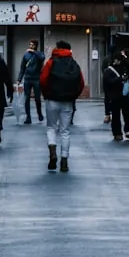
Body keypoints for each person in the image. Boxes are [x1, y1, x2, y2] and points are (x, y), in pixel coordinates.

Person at [38, 39, 84, 173]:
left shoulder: (51, 62)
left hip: (51, 100)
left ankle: (52, 153)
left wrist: (46, 93)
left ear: (58, 48)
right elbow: (81, 82)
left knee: (51, 128)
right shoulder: (73, 63)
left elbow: (43, 79)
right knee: (65, 131)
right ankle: (64, 160)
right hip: (67, 102)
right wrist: (73, 96)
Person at [103, 55, 129, 141]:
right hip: (117, 95)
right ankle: (124, 132)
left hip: (119, 95)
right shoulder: (110, 70)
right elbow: (109, 83)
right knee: (122, 114)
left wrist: (127, 80)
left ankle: (122, 133)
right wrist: (120, 79)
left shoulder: (122, 69)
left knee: (121, 114)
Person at [16, 39, 45, 124]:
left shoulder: (39, 54)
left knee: (37, 98)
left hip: (36, 79)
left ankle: (39, 114)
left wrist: (33, 51)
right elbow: (22, 68)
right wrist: (19, 79)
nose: (30, 46)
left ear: (36, 46)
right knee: (26, 99)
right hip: (27, 79)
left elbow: (42, 58)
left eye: (32, 45)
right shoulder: (26, 55)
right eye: (30, 45)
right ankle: (28, 117)